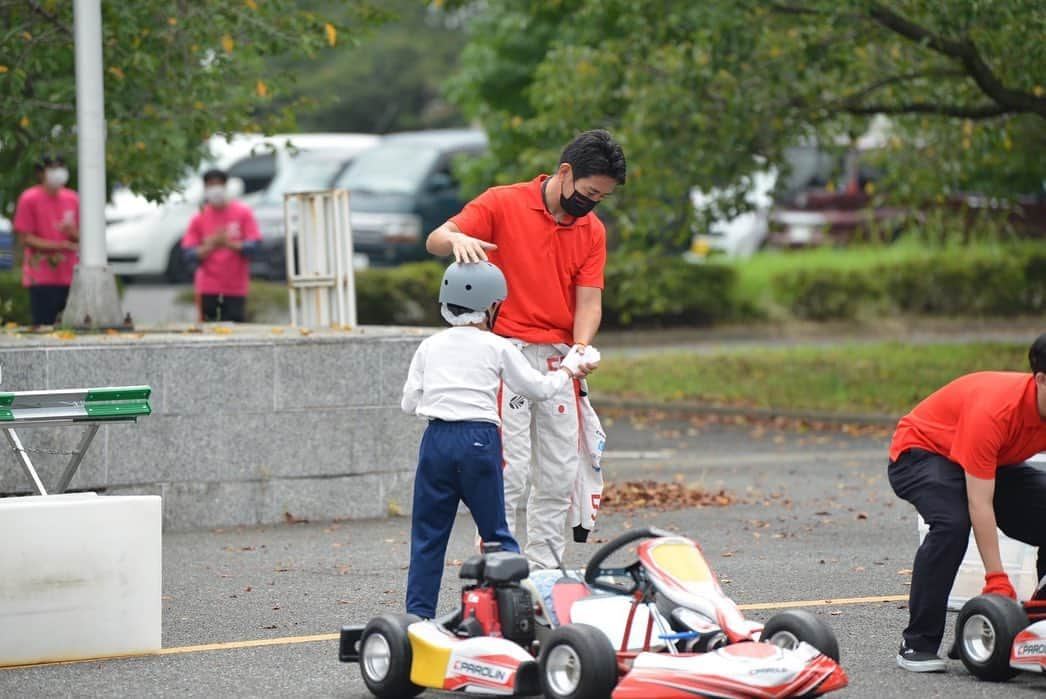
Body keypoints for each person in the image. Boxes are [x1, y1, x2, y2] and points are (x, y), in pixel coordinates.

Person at [425, 129, 626, 569]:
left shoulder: (591, 230)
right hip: (504, 351)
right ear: (565, 172)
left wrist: (580, 348)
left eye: (601, 198)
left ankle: (547, 570)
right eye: (589, 192)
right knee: (508, 470)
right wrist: (456, 239)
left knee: (558, 472)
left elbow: (589, 301)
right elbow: (436, 238)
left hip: (557, 357)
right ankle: (498, 566)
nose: (591, 204)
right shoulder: (503, 202)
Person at [400, 261, 598, 619]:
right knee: (496, 533)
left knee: (428, 536)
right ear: (493, 305)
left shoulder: (429, 346)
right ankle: (509, 612)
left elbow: (409, 401)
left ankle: (418, 617)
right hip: (479, 440)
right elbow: (538, 389)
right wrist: (569, 367)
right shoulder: (497, 347)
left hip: (436, 440)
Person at [888, 332, 1046, 672]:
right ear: (1042, 380)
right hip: (921, 454)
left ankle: (1034, 623)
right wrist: (996, 581)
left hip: (991, 462)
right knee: (952, 523)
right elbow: (980, 503)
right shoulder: (996, 412)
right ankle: (917, 643)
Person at [180, 169, 260, 322]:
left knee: (236, 333)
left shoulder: (243, 213)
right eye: (211, 185)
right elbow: (188, 254)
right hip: (207, 287)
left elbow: (254, 246)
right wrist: (211, 244)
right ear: (205, 188)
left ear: (226, 186)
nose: (215, 188)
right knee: (209, 332)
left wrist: (229, 244)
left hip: (236, 288)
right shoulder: (199, 217)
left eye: (219, 184)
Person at [12, 154, 79, 326]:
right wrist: (59, 246)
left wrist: (73, 233)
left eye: (61, 167)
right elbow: (25, 238)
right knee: (44, 327)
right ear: (41, 173)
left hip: (71, 276)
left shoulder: (73, 198)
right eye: (53, 167)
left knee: (73, 328)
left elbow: (85, 237)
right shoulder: (29, 199)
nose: (58, 172)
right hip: (41, 277)